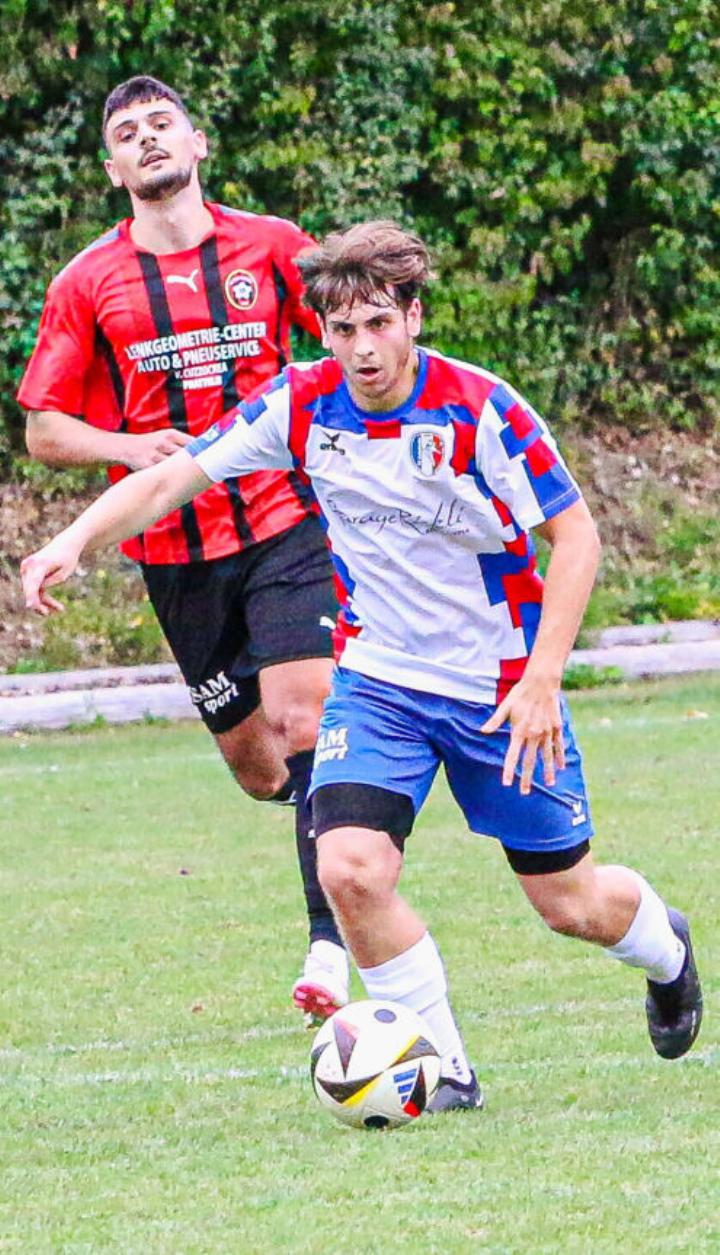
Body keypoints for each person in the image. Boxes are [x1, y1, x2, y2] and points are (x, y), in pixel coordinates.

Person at [21, 220, 703, 1112]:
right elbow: (170, 477)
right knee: (348, 868)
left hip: (498, 688)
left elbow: (574, 535)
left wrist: (542, 677)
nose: (363, 347)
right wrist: (72, 538)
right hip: (378, 682)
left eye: (379, 323)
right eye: (343, 330)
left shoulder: (480, 408)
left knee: (569, 902)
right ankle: (446, 1067)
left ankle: (668, 949)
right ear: (325, 334)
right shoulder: (301, 405)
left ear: (413, 316)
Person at [16, 75, 349, 1026]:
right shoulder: (87, 282)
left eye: (162, 124)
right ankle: (340, 806)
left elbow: (346, 348)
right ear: (112, 166)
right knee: (262, 768)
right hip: (174, 554)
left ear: (197, 142)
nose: (148, 139)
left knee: (305, 717)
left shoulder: (275, 247)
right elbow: (43, 429)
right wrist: (125, 447)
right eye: (128, 132)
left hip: (289, 524)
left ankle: (329, 933)